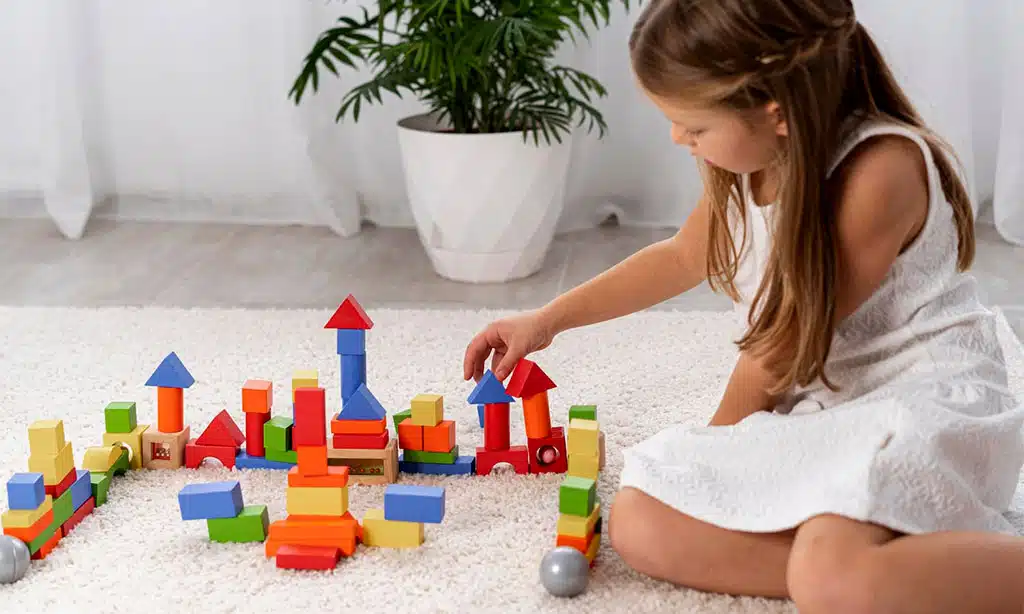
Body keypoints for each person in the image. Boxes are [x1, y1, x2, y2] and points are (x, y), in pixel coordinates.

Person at [462, 0, 1024, 611]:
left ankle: (852, 574)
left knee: (819, 562)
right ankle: (872, 572)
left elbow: (781, 347)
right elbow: (682, 257)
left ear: (774, 111)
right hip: (829, 408)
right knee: (639, 520)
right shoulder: (753, 163)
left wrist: (719, 452)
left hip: (922, 403)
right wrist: (546, 321)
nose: (679, 139)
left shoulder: (879, 169)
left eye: (694, 128)